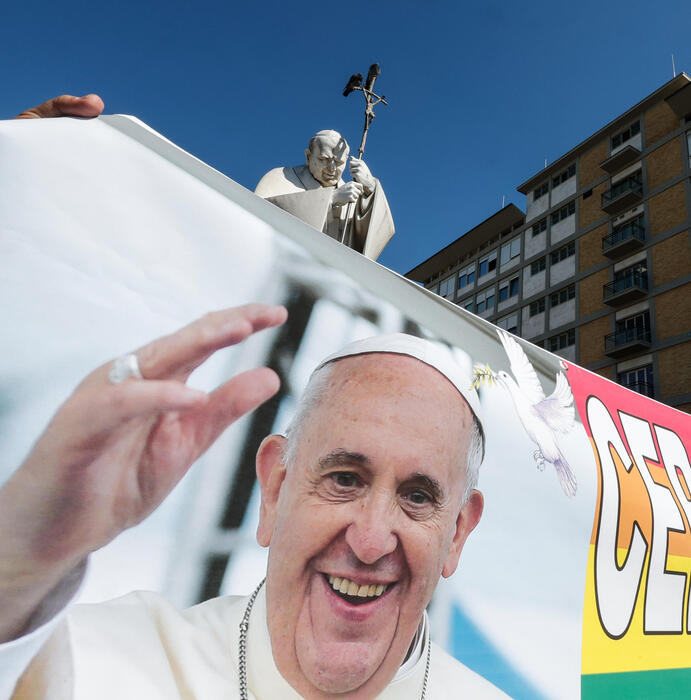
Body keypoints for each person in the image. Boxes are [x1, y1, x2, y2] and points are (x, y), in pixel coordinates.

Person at [0, 305, 507, 699]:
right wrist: (17, 570)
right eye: (345, 479)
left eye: (417, 496)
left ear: (458, 532)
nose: (371, 542)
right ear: (274, 487)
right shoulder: (110, 659)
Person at [255, 130, 395, 261]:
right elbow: (260, 217)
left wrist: (370, 188)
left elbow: (372, 240)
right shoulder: (280, 178)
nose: (332, 168)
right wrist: (330, 199)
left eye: (339, 162)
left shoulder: (352, 195)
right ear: (308, 156)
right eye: (324, 159)